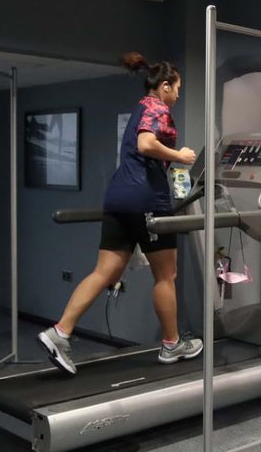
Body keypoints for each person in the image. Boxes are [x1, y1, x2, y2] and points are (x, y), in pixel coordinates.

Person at [37, 52, 203, 375]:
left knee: (105, 273)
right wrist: (180, 155)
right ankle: (172, 344)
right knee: (166, 275)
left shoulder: (140, 106)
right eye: (178, 88)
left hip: (117, 199)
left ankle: (59, 333)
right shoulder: (158, 108)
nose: (179, 95)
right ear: (165, 86)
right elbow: (146, 145)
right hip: (147, 201)